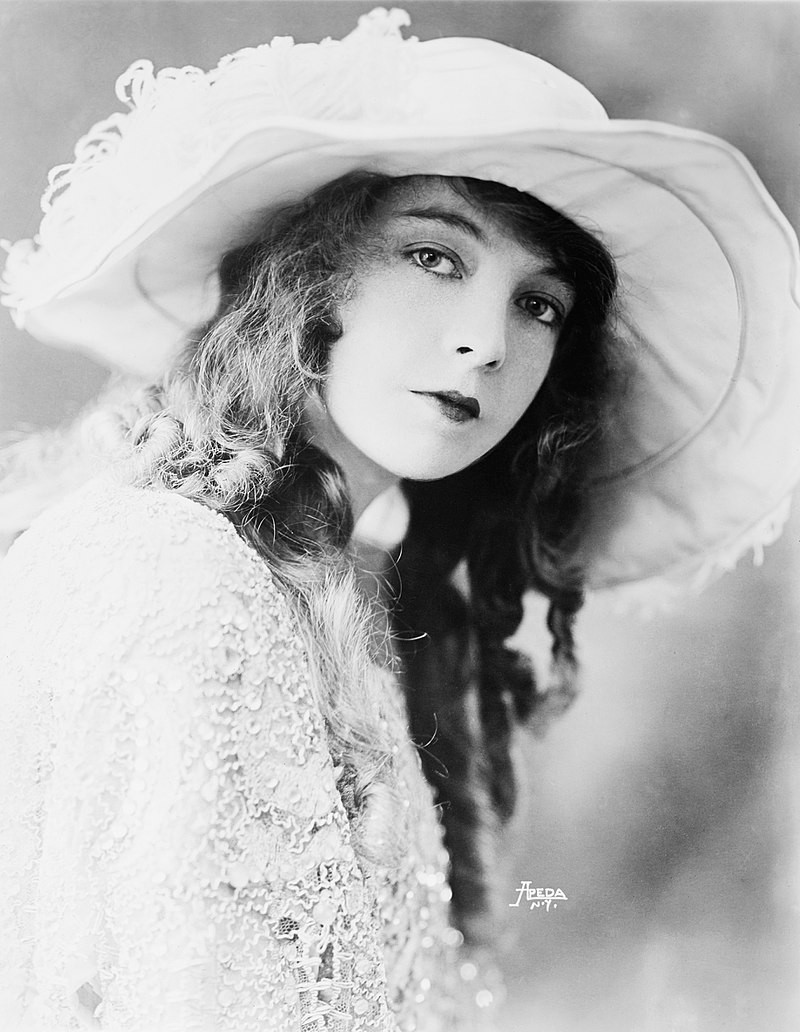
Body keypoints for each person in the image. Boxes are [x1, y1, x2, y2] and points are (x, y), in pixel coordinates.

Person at [1, 8, 798, 1031]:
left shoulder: (346, 592)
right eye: (434, 257)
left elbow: (474, 929)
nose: (484, 343)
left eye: (538, 304)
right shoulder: (178, 578)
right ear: (312, 280)